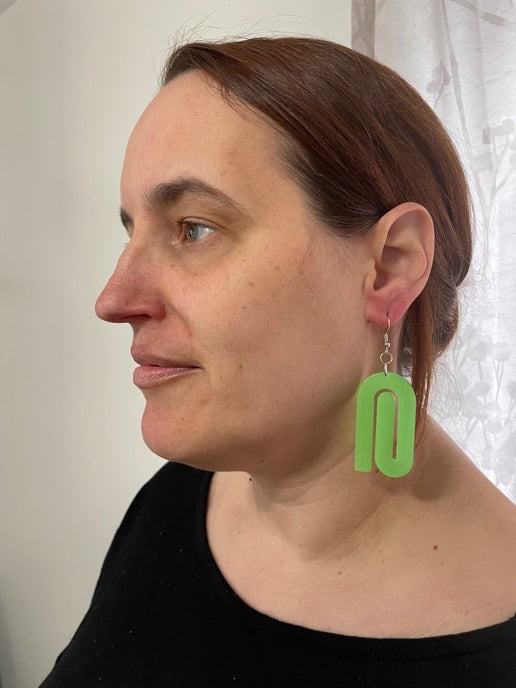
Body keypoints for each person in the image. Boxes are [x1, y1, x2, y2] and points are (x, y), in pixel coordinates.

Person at [39, 35, 516, 686]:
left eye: (194, 229)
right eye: (131, 233)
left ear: (390, 267)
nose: (114, 301)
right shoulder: (174, 500)